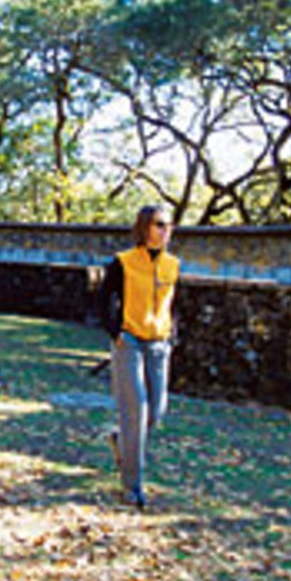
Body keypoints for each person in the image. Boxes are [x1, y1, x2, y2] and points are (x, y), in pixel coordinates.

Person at [100, 205, 179, 509]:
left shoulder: (173, 265)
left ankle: (120, 442)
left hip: (159, 345)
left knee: (156, 412)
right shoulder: (123, 262)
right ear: (145, 227)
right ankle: (132, 487)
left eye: (169, 225)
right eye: (160, 224)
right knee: (136, 412)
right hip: (129, 342)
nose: (165, 230)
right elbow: (103, 298)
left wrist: (172, 335)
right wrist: (115, 332)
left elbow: (174, 304)